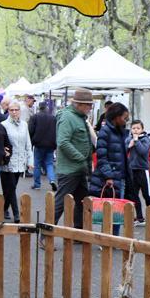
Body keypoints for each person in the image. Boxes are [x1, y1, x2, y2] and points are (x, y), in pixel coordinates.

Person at [52, 88, 95, 228]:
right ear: (80, 105)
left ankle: (78, 232)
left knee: (82, 203)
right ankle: (45, 234)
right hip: (70, 170)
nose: (91, 107)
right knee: (60, 203)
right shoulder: (68, 117)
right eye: (89, 105)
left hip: (78, 169)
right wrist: (80, 157)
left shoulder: (78, 117)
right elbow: (63, 142)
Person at [90, 102, 129, 235]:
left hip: (121, 176)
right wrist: (109, 176)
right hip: (112, 177)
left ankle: (114, 238)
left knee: (118, 211)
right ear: (117, 117)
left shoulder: (119, 132)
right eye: (124, 118)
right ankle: (109, 238)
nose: (125, 121)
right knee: (110, 211)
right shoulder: (106, 131)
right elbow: (101, 156)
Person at [1, 102, 33, 221]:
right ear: (8, 111)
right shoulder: (3, 125)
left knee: (10, 188)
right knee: (11, 188)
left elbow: (28, 144)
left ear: (20, 111)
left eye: (16, 110)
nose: (14, 112)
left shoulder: (24, 124)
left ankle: (4, 208)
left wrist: (30, 161)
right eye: (11, 110)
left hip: (20, 162)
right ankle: (16, 214)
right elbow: (1, 143)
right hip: (8, 162)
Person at [126, 119, 150, 223]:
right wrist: (129, 146)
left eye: (138, 128)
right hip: (132, 170)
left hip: (142, 170)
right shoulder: (129, 140)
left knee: (146, 194)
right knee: (134, 195)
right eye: (134, 128)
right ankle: (140, 217)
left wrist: (136, 141)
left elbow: (143, 151)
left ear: (142, 129)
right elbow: (123, 151)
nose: (136, 130)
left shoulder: (145, 140)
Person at [28, 101, 57, 191]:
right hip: (50, 144)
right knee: (49, 163)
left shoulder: (34, 117)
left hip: (39, 143)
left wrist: (31, 141)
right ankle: (52, 180)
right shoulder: (53, 118)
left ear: (39, 108)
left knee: (37, 164)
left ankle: (37, 184)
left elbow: (30, 130)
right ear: (47, 108)